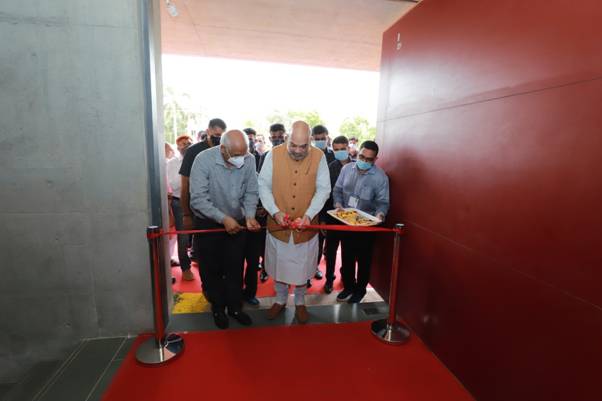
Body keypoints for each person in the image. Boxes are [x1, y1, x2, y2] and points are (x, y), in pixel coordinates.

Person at [258, 121, 330, 323]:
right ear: (287, 138)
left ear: (310, 142)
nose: (298, 150)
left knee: (303, 269)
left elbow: (324, 189)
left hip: (305, 227)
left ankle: (300, 302)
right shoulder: (273, 154)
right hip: (278, 225)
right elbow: (263, 185)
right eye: (293, 145)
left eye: (303, 146)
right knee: (278, 267)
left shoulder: (319, 156)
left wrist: (309, 215)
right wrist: (275, 211)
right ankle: (280, 300)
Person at [189, 130, 260, 329]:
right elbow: (198, 199)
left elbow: (252, 191)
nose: (240, 160)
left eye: (243, 154)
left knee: (235, 266)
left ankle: (235, 307)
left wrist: (249, 216)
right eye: (235, 155)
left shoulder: (249, 159)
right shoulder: (203, 160)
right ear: (222, 148)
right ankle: (218, 307)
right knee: (211, 268)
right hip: (209, 222)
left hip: (237, 222)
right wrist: (223, 219)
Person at [333, 140, 390, 303]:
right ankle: (348, 287)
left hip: (367, 226)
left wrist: (380, 215)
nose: (364, 161)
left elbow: (383, 203)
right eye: (361, 156)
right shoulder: (346, 169)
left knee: (364, 260)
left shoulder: (380, 177)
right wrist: (337, 203)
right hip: (346, 222)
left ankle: (360, 290)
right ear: (357, 154)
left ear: (375, 159)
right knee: (347, 257)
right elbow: (337, 190)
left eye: (369, 159)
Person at [179, 118, 226, 288]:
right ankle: (208, 290)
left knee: (221, 254)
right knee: (203, 253)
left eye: (221, 136)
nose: (218, 139)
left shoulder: (225, 149)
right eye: (215, 135)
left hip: (222, 212)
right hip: (200, 211)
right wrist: (186, 214)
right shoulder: (193, 152)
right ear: (207, 131)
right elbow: (185, 184)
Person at [322, 135, 352, 293]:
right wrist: (323, 219)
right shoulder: (329, 167)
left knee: (348, 250)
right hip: (332, 216)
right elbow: (324, 194)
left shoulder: (357, 166)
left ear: (349, 148)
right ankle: (329, 279)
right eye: (336, 149)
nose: (340, 152)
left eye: (343, 149)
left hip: (351, 218)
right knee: (331, 250)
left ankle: (346, 277)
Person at [309, 125, 335, 285]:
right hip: (313, 207)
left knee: (324, 244)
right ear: (312, 139)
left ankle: (316, 268)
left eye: (322, 138)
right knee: (311, 242)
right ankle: (307, 273)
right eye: (317, 139)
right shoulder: (309, 155)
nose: (320, 141)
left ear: (327, 137)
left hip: (331, 206)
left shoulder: (334, 157)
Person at [167, 135, 194, 280]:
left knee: (200, 234)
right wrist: (185, 178)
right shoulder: (172, 163)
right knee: (183, 236)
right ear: (178, 148)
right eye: (183, 144)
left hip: (197, 202)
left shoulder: (198, 159)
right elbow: (173, 183)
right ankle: (185, 268)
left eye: (189, 143)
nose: (186, 145)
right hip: (179, 202)